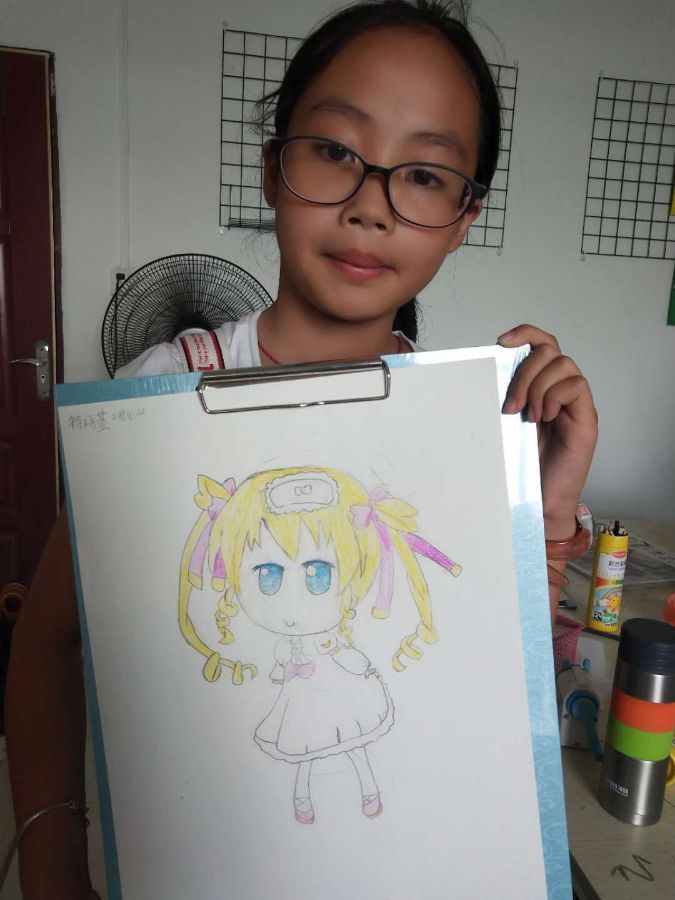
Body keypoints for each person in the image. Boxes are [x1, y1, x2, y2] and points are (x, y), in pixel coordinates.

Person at [5, 1, 598, 896]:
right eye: (333, 150)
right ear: (272, 169)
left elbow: (484, 693)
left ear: (464, 216)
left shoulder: (470, 427)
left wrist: (544, 507)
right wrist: (52, 871)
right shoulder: (162, 390)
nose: (370, 207)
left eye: (424, 175)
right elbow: (49, 645)